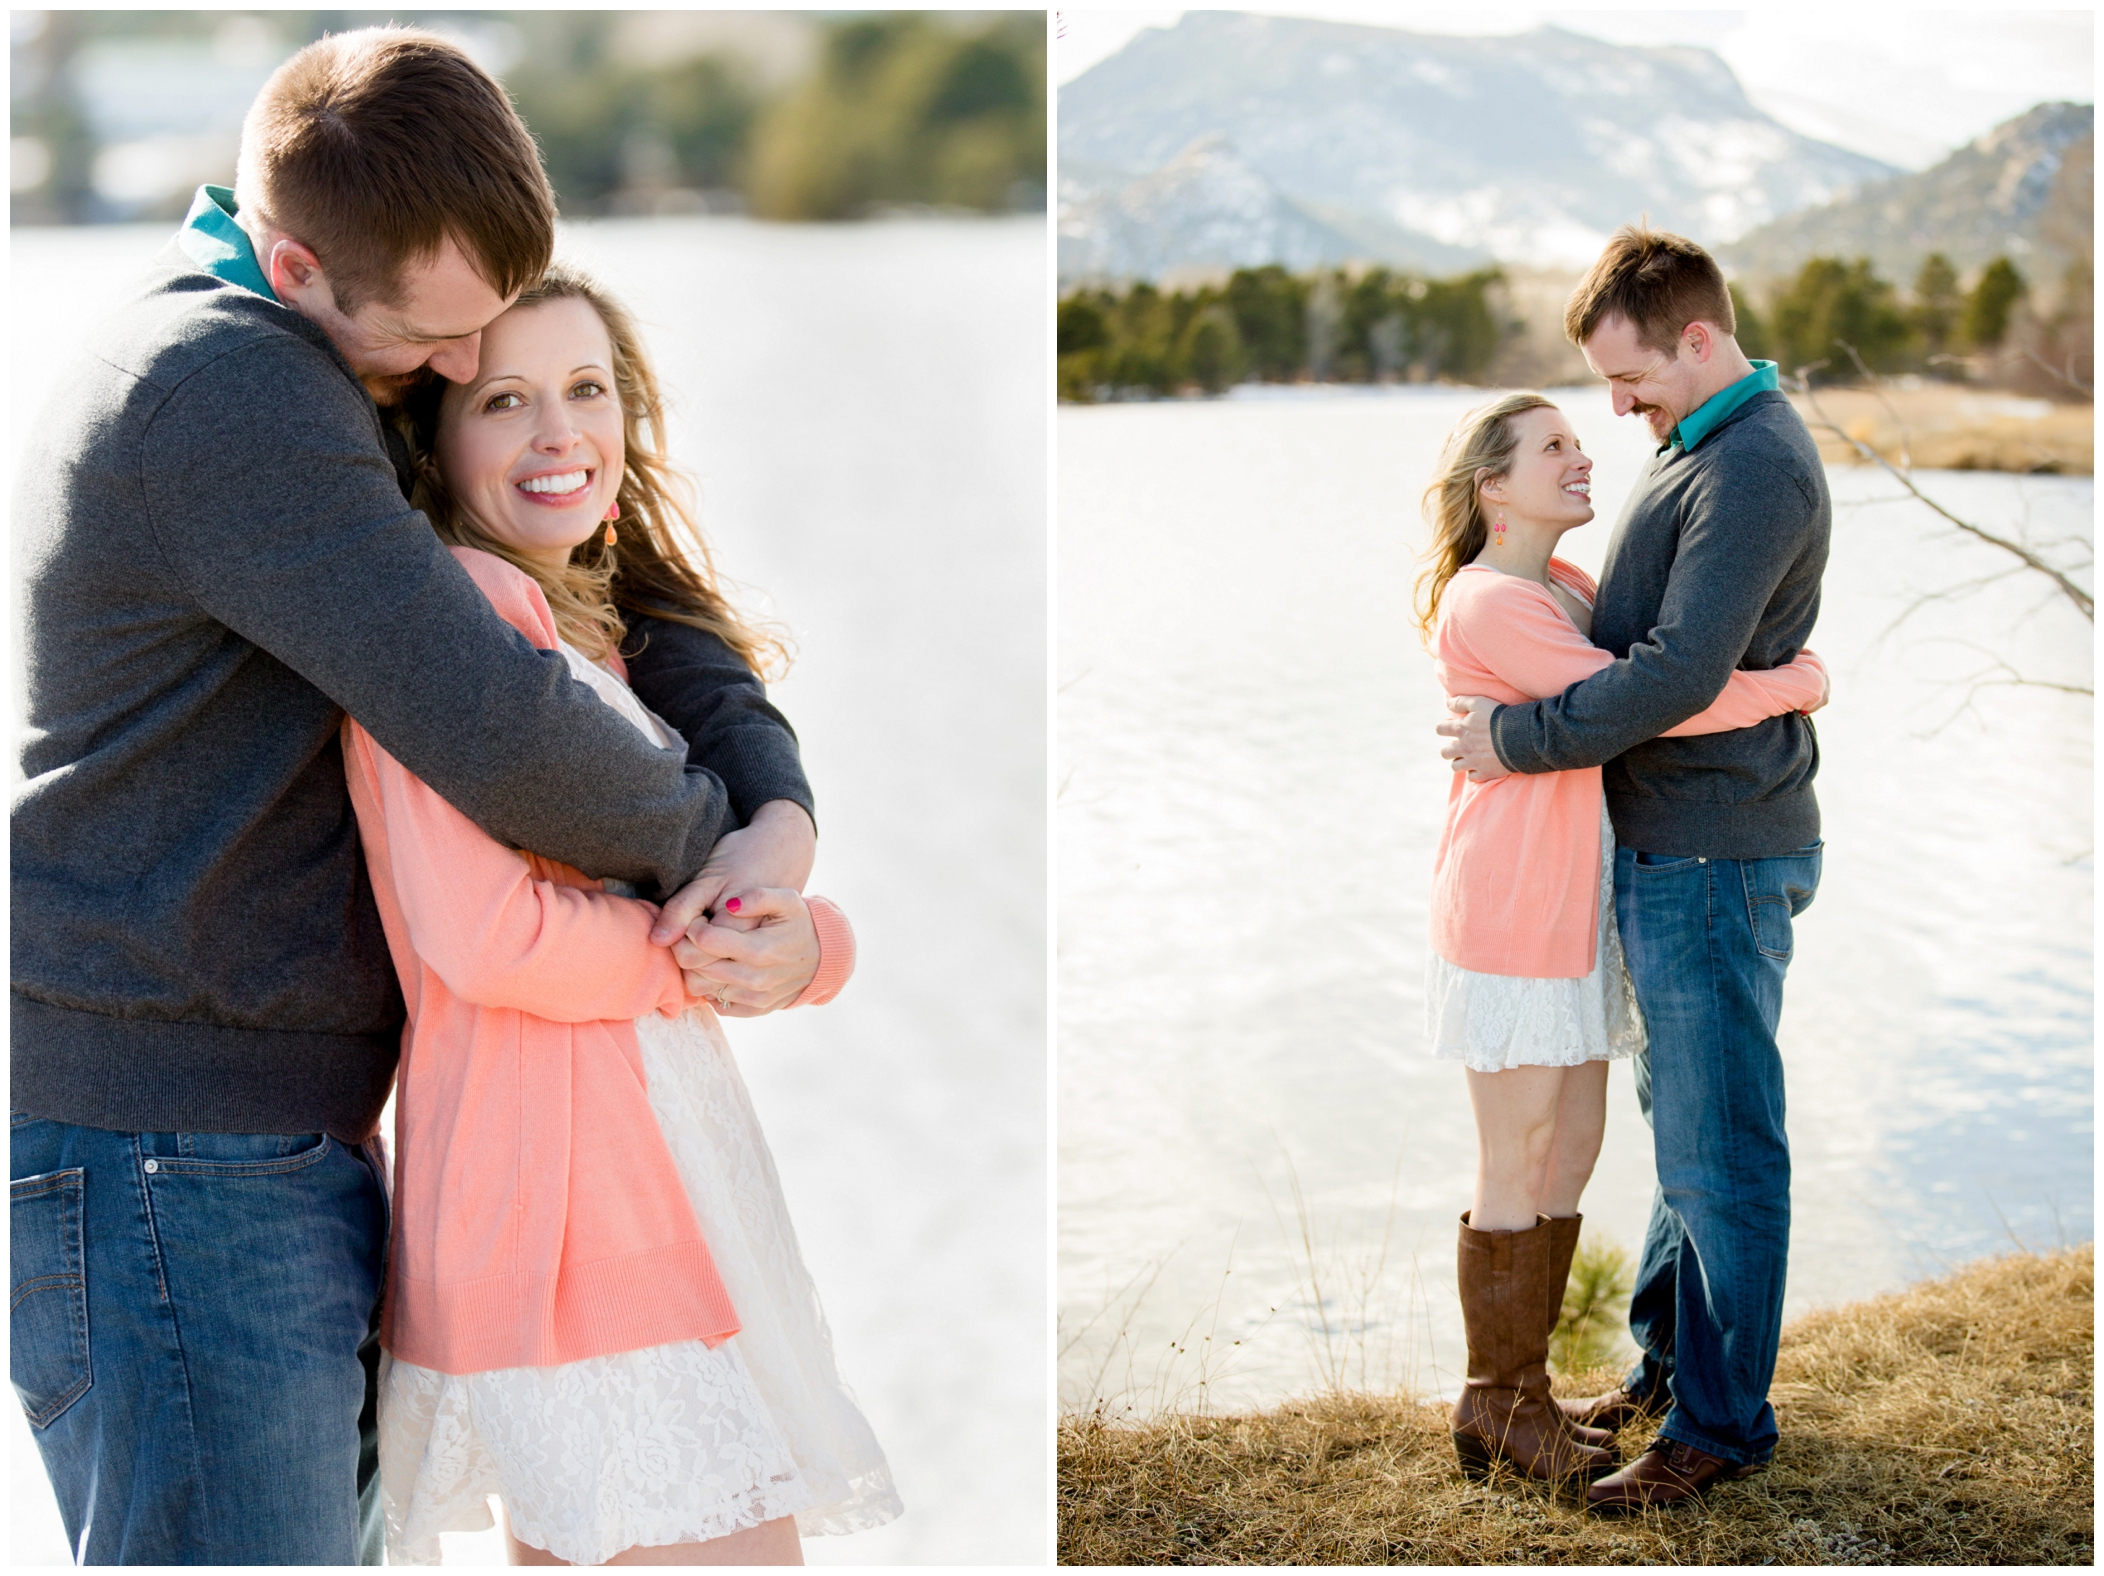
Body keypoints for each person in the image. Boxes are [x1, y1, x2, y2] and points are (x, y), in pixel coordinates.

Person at [11, 29, 820, 1566]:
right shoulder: (236, 393)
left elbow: (625, 593)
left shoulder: (326, 338)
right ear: (302, 262)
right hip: (173, 1157)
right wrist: (730, 863)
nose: (463, 369)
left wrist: (776, 817)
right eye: (443, 348)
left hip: (253, 1141)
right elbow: (505, 728)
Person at [358, 265, 900, 1566]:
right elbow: (490, 936)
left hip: (645, 1172)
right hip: (562, 1207)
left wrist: (816, 943)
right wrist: (729, 956)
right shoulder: (460, 612)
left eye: (587, 389)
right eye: (505, 399)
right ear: (433, 442)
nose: (560, 433)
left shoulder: (592, 626)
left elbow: (702, 857)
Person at [1438, 225, 1832, 1511]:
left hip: (1718, 845)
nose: (1616, 411)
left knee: (1720, 1146)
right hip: (1667, 839)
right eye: (1598, 396)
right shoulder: (1697, 446)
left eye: (1631, 381)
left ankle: (1720, 1423)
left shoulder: (1754, 465)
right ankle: (1670, 1367)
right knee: (1685, 1132)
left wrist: (1512, 739)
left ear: (1699, 340)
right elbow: (1632, 649)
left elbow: (1667, 676)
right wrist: (1786, 685)